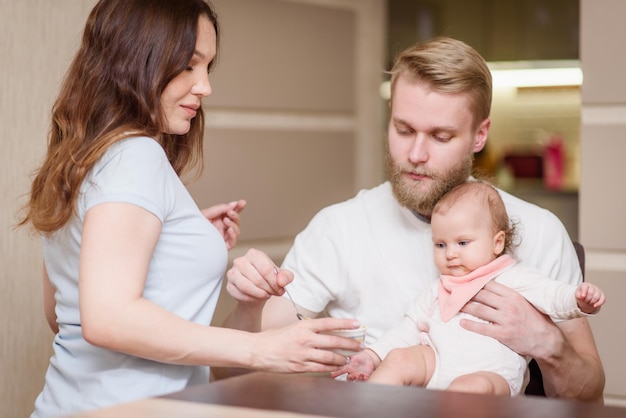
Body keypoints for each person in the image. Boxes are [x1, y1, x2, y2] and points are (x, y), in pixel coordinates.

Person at [19, 1, 362, 416]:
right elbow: (105, 317)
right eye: (188, 66)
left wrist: (178, 234)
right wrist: (260, 348)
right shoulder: (135, 156)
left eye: (207, 68)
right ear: (135, 60)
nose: (205, 87)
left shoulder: (77, 160)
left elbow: (62, 315)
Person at [222, 36, 606, 402]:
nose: (416, 154)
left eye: (440, 137)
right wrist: (249, 308)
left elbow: (589, 398)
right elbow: (229, 373)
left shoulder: (539, 231)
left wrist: (546, 343)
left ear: (479, 134)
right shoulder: (340, 229)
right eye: (403, 130)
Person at [331, 180, 605, 396]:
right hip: (435, 364)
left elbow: (550, 294)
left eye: (462, 243)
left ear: (497, 243)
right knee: (400, 358)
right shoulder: (438, 288)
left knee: (469, 390)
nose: (450, 254)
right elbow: (408, 328)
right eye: (441, 245)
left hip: (490, 375)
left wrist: (577, 300)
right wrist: (372, 355)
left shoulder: (513, 277)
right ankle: (369, 407)